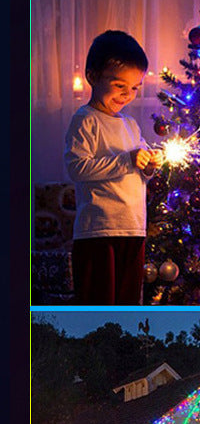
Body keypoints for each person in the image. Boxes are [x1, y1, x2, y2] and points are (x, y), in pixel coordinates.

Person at [65, 30, 163, 304]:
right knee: (99, 304)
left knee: (129, 303)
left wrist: (149, 164)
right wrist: (127, 160)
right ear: (93, 76)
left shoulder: (130, 125)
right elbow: (76, 168)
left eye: (134, 87)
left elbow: (138, 166)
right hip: (98, 231)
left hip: (133, 229)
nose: (127, 95)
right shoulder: (85, 120)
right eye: (120, 85)